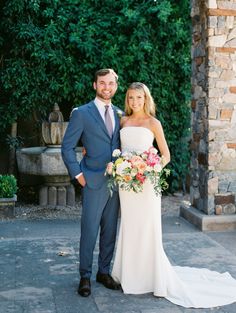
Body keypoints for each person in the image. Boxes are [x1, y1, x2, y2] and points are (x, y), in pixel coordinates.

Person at [111, 82, 236, 308]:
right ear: (127, 100)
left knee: (147, 227)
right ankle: (128, 275)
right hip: (127, 183)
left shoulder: (153, 123)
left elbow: (165, 155)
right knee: (129, 225)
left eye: (139, 98)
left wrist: (149, 169)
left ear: (146, 99)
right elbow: (119, 151)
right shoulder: (123, 121)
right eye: (131, 98)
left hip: (147, 183)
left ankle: (152, 277)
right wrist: (124, 167)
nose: (134, 102)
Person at [61, 68, 121, 297]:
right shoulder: (82, 113)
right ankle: (84, 276)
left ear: (116, 86)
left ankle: (103, 272)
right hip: (92, 180)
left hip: (116, 182)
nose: (107, 87)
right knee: (89, 230)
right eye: (102, 83)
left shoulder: (119, 113)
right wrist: (78, 175)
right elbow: (67, 147)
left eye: (111, 83)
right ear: (95, 85)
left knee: (110, 230)